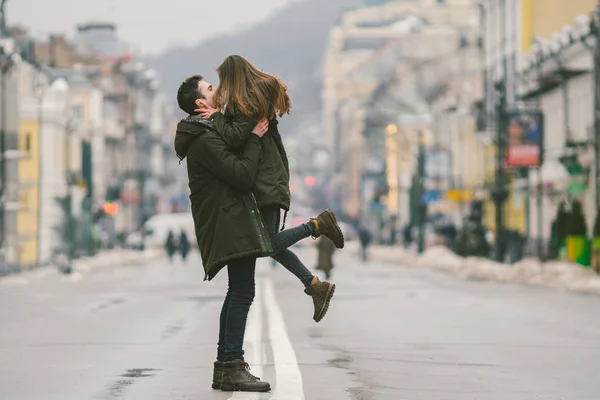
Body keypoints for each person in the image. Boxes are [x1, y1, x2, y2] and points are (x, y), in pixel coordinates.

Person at [175, 73, 343, 392]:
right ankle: (231, 366)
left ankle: (226, 367)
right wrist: (253, 136)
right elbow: (241, 173)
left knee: (238, 290)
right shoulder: (203, 138)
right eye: (211, 89)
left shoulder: (207, 130)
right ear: (200, 103)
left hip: (230, 216)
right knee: (242, 292)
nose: (217, 90)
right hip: (229, 219)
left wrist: (227, 119)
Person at [195, 56, 343, 312]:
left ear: (232, 78)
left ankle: (317, 225)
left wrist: (216, 117)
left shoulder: (248, 104)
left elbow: (233, 138)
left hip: (265, 184)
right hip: (267, 182)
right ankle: (315, 286)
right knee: (269, 243)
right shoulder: (250, 101)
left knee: (266, 244)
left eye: (222, 81)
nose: (220, 87)